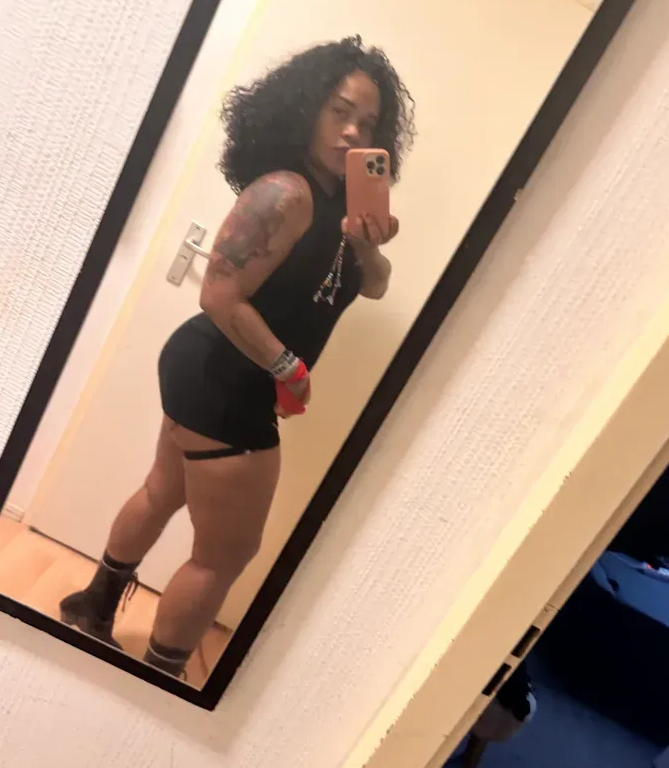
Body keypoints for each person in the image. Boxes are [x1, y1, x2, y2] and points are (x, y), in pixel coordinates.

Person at [59, 36, 416, 676]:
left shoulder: (340, 203)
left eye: (367, 122)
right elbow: (220, 294)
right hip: (226, 379)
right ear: (306, 107)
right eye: (340, 111)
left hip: (211, 372)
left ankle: (91, 608)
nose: (352, 132)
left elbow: (376, 284)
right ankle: (158, 678)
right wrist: (289, 368)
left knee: (163, 490)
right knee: (224, 555)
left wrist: (366, 242)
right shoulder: (285, 193)